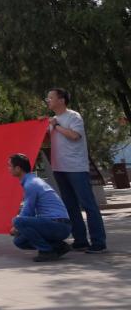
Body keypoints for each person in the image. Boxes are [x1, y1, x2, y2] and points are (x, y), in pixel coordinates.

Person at [46, 88, 106, 252]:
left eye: (51, 97)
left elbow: (75, 136)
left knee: (88, 204)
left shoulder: (73, 116)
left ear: (61, 100)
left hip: (76, 167)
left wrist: (56, 125)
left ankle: (98, 242)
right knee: (70, 205)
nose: (48, 100)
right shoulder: (52, 121)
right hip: (59, 167)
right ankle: (80, 240)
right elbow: (48, 141)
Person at [7, 153, 71, 261]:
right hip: (60, 225)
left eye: (9, 165)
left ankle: (47, 251)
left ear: (18, 168)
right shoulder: (32, 181)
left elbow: (27, 211)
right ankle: (59, 247)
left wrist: (16, 227)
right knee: (19, 241)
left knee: (18, 221)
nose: (8, 168)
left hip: (59, 225)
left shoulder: (31, 184)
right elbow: (30, 214)